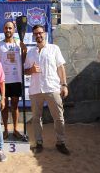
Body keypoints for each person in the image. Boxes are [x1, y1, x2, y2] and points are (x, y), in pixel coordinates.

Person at [24, 24, 70, 155]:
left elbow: (61, 67)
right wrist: (31, 70)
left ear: (44, 33)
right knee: (36, 118)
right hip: (35, 90)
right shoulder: (30, 52)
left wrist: (64, 85)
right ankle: (38, 143)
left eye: (40, 33)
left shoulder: (54, 49)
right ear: (33, 36)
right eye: (36, 34)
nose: (38, 35)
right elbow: (25, 70)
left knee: (59, 117)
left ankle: (60, 142)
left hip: (52, 88)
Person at [0, 21, 27, 140]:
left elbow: (22, 61)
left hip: (16, 79)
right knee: (4, 106)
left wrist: (25, 51)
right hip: (3, 81)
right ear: (3, 30)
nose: (8, 30)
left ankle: (16, 129)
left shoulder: (19, 43)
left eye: (10, 28)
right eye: (6, 28)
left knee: (15, 105)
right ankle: (6, 130)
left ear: (14, 30)